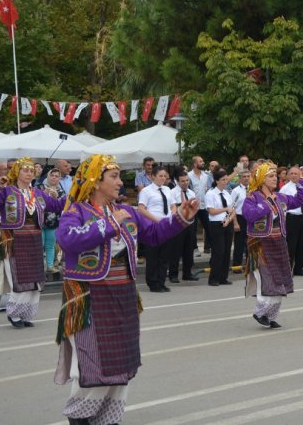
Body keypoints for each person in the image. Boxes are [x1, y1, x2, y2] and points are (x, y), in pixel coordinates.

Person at [54, 154, 197, 425]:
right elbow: (67, 240)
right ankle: (81, 417)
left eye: (120, 176)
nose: (121, 182)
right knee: (93, 361)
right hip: (89, 297)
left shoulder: (127, 211)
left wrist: (181, 218)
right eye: (114, 177)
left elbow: (154, 234)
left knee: (121, 363)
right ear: (96, 182)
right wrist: (109, 225)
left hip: (123, 296)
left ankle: (108, 417)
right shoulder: (77, 211)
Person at [0, 158, 66, 328]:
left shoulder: (38, 193)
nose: (29, 173)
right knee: (20, 277)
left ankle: (27, 313)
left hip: (34, 240)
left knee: (35, 279)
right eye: (25, 170)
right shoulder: (6, 190)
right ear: (17, 172)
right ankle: (15, 314)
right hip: (14, 240)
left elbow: (56, 205)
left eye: (32, 171)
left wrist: (74, 194)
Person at [243, 162, 303, 327]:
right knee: (266, 279)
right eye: (271, 176)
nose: (275, 179)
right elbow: (249, 215)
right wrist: (267, 204)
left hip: (279, 243)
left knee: (280, 280)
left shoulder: (280, 197)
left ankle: (271, 316)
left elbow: (297, 201)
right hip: (260, 244)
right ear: (262, 178)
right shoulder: (252, 197)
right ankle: (259, 312)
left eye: (275, 176)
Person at [138, 167, 174, 292]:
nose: (163, 178)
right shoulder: (146, 191)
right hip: (154, 225)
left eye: (165, 176)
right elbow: (141, 209)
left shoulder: (168, 189)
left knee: (164, 256)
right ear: (153, 176)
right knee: (153, 255)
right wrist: (157, 220)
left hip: (166, 226)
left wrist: (172, 218)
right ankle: (153, 283)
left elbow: (172, 206)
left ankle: (161, 281)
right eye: (160, 176)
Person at [279, 166, 303, 275]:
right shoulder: (285, 188)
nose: (294, 176)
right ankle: (288, 269)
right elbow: (282, 205)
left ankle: (299, 268)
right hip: (291, 218)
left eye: (296, 174)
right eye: (291, 173)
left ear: (300, 175)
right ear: (288, 175)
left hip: (302, 217)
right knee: (291, 245)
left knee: (302, 244)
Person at [205, 169, 235, 286]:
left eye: (226, 179)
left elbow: (233, 210)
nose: (225, 182)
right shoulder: (211, 193)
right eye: (223, 180)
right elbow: (211, 211)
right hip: (216, 224)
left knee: (227, 251)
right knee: (219, 251)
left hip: (227, 223)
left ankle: (223, 277)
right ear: (217, 181)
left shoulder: (227, 193)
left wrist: (229, 219)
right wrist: (225, 209)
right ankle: (214, 278)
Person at [168, 170, 200, 282]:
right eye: (182, 181)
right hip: (177, 224)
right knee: (176, 249)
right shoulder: (171, 193)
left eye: (187, 180)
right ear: (177, 181)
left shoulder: (191, 193)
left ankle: (187, 273)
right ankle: (173, 274)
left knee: (189, 248)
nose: (185, 183)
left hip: (190, 223)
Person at [39, 168, 65, 273]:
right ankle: (39, 267)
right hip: (40, 221)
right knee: (40, 245)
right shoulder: (39, 188)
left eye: (56, 176)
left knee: (50, 245)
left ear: (59, 178)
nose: (54, 177)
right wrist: (44, 194)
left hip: (53, 222)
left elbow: (63, 206)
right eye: (52, 175)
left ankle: (49, 266)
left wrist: (56, 197)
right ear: (48, 177)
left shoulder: (61, 191)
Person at [188, 155, 213, 254]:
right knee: (192, 228)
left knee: (208, 226)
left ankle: (208, 247)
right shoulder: (188, 175)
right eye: (200, 161)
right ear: (195, 164)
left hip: (204, 205)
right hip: (192, 206)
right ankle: (194, 248)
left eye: (202, 161)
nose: (203, 163)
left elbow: (210, 189)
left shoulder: (206, 176)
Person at [231, 169, 250, 268]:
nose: (246, 178)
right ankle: (236, 266)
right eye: (244, 176)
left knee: (250, 243)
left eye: (248, 176)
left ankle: (249, 265)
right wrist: (235, 223)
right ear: (240, 178)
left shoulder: (253, 189)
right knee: (239, 243)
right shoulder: (236, 191)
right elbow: (232, 207)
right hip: (240, 217)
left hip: (250, 218)